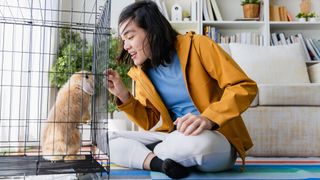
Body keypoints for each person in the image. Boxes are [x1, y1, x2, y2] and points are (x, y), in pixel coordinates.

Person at [105, 1, 258, 179]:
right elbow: (148, 120)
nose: (125, 46)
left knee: (200, 144)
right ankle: (163, 164)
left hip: (215, 139)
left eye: (130, 37)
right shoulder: (143, 72)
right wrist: (123, 95)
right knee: (106, 140)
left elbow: (244, 86)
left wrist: (209, 118)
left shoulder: (198, 45)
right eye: (123, 40)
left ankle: (147, 157)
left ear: (152, 31)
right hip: (173, 138)